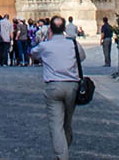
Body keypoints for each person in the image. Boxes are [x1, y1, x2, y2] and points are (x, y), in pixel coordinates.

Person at [31, 14, 86, 159]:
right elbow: (82, 57)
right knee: (67, 122)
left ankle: (62, 156)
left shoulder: (45, 46)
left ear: (50, 29)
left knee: (56, 124)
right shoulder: (73, 44)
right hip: (72, 86)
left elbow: (33, 54)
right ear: (64, 29)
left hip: (54, 86)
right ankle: (64, 149)